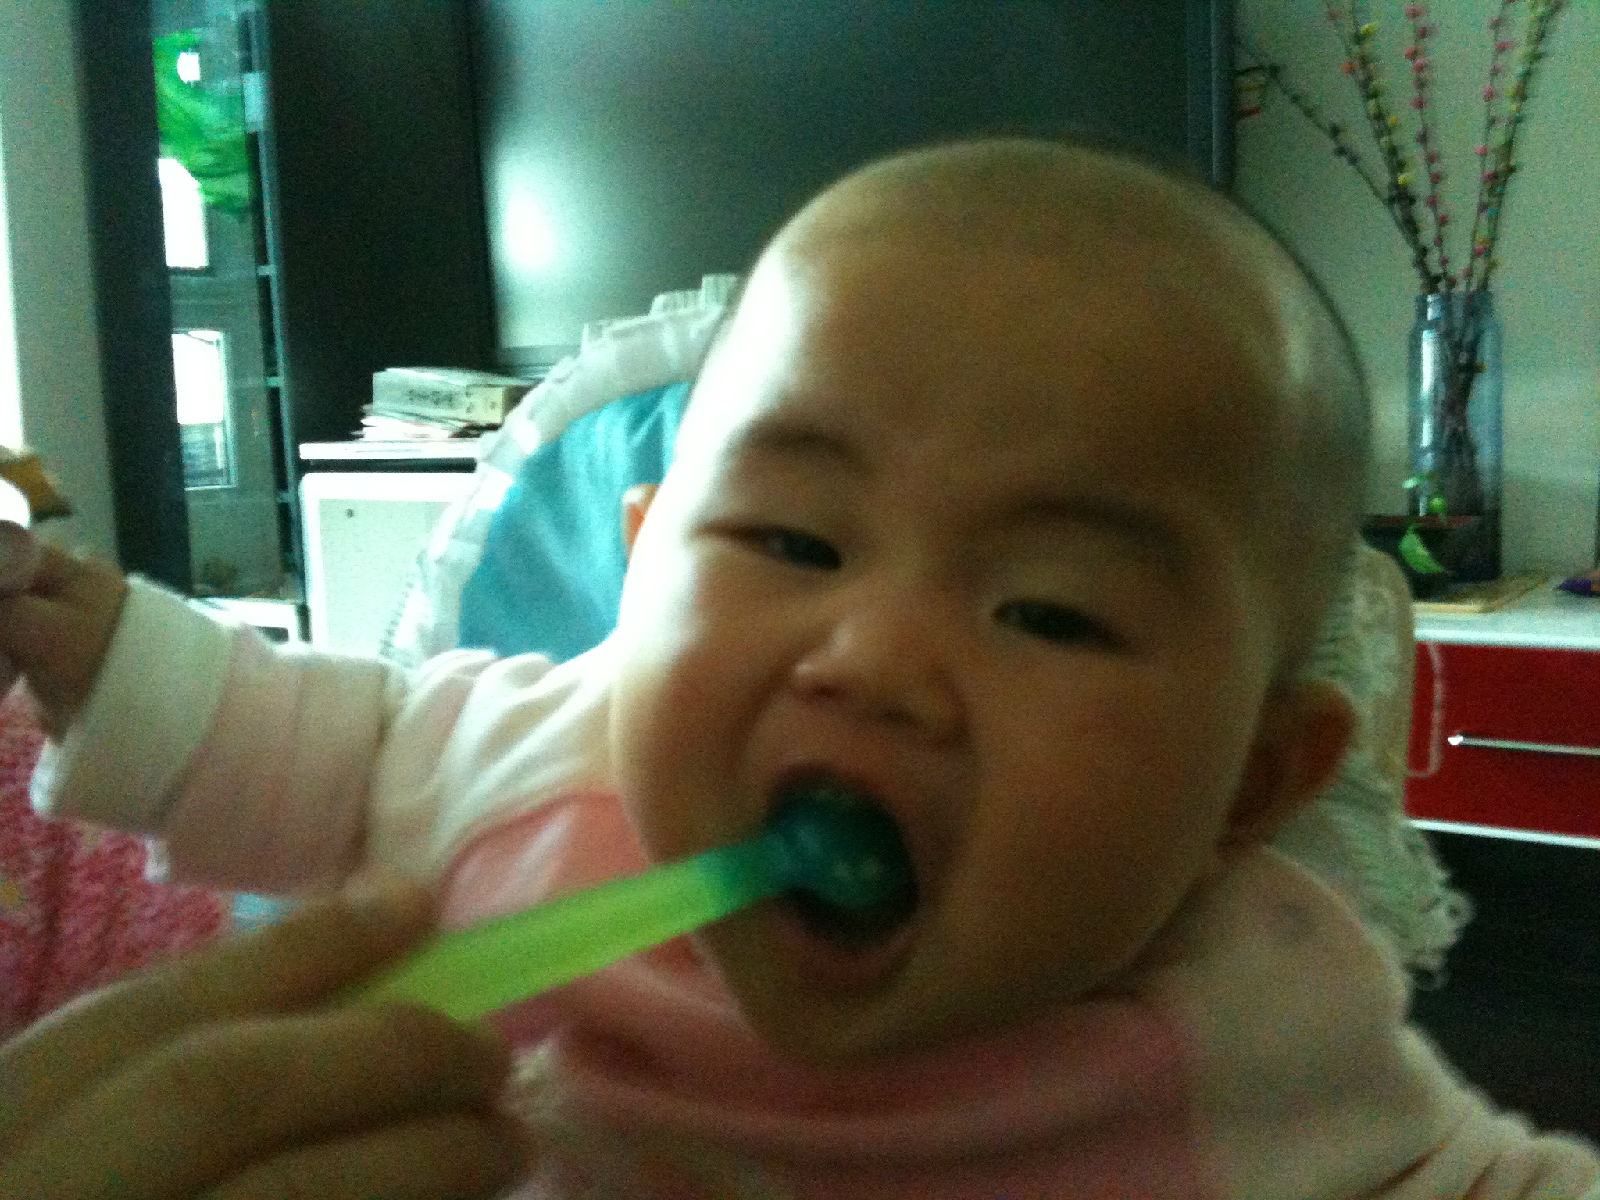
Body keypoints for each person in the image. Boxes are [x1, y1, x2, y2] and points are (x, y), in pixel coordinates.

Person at [2, 138, 1597, 1198]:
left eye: (1050, 614)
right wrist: (108, 650)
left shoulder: (1253, 1026)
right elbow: (317, 740)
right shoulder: (543, 770)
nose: (877, 660)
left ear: (1246, 786)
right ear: (643, 567)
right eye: (794, 541)